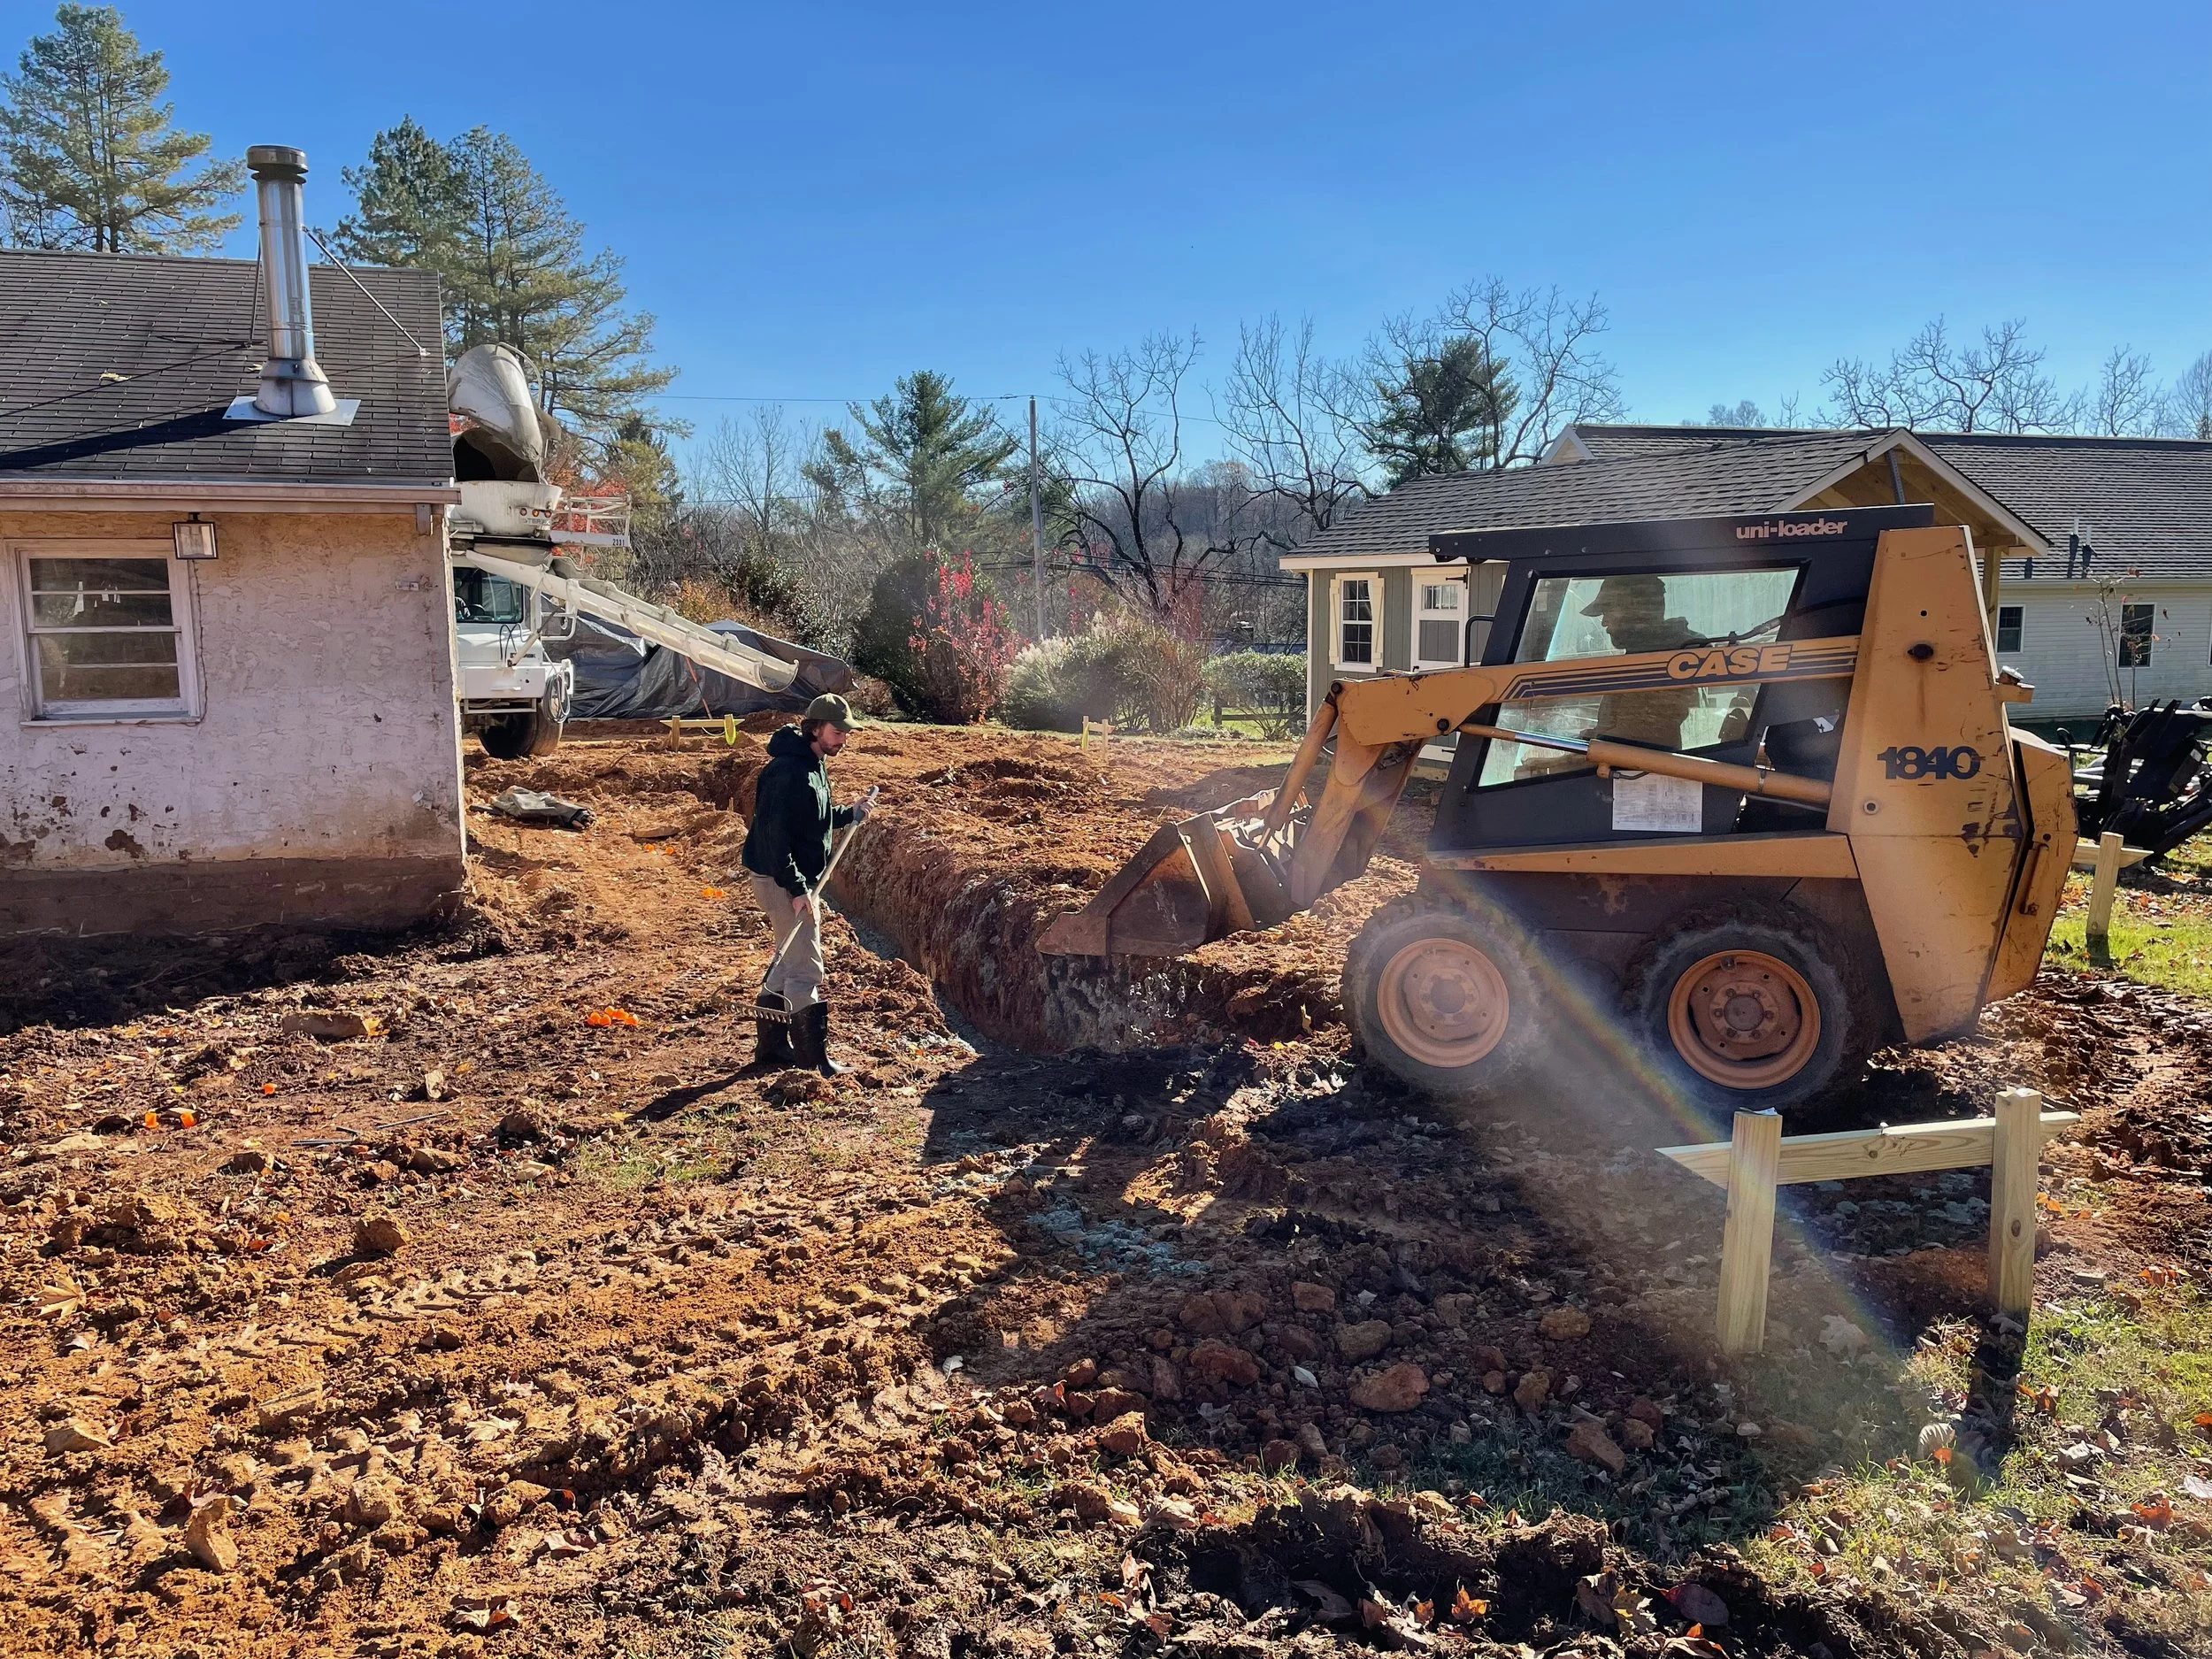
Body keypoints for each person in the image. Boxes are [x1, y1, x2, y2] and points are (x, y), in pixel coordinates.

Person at [741, 693, 873, 1073]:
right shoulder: (788, 772)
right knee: (805, 968)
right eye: (837, 732)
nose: (843, 739)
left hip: (790, 877)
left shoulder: (814, 763)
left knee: (787, 962)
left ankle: (770, 1049)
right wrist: (798, 890)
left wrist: (849, 813)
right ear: (815, 728)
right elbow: (775, 838)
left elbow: (814, 817)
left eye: (846, 733)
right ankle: (814, 1062)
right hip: (781, 880)